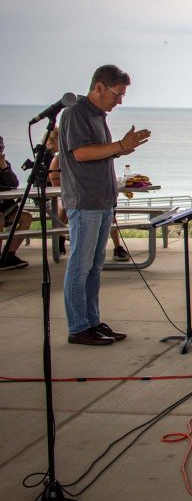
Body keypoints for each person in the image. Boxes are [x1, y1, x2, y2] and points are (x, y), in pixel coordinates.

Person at [59, 64, 151, 346]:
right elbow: (81, 153)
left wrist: (121, 149)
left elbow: (98, 153)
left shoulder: (98, 116)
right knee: (80, 265)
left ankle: (92, 321)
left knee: (95, 266)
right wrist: (120, 146)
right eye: (117, 94)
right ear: (99, 87)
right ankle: (78, 327)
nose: (119, 101)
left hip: (102, 200)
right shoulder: (75, 113)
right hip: (84, 201)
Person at [47, 128, 128, 261]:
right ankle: (60, 237)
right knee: (64, 210)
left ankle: (117, 246)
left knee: (110, 213)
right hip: (71, 196)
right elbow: (57, 185)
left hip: (92, 194)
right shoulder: (58, 159)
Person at [0, 135, 33, 270]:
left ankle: (9, 254)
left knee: (26, 217)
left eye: (1, 149)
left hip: (5, 206)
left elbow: (14, 183)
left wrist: (4, 168)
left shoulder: (4, 164)